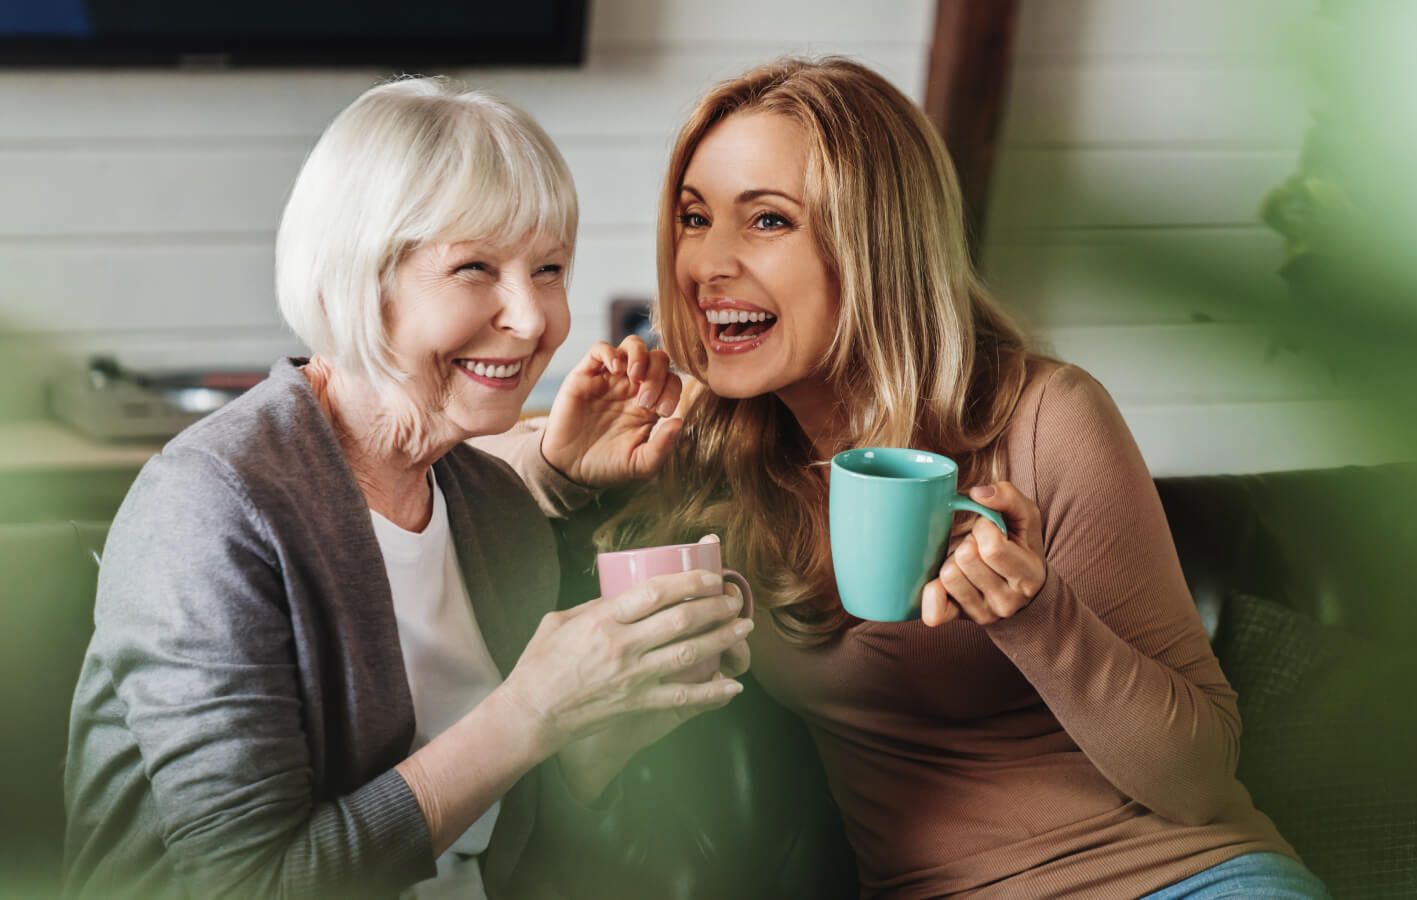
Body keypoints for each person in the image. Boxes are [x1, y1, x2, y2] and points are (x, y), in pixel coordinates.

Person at [502, 57, 1333, 899]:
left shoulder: (1044, 417)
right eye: (694, 217)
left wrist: (1036, 616)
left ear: (876, 244)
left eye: (767, 220)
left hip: (1180, 880)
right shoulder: (704, 449)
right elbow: (436, 493)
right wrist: (557, 466)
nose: (707, 263)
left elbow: (1196, 783)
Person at [61, 76, 749, 900]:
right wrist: (529, 713)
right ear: (356, 277)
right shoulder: (209, 508)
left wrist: (603, 729)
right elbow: (245, 884)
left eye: (549, 268)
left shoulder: (493, 507)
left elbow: (507, 831)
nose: (533, 318)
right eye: (474, 268)